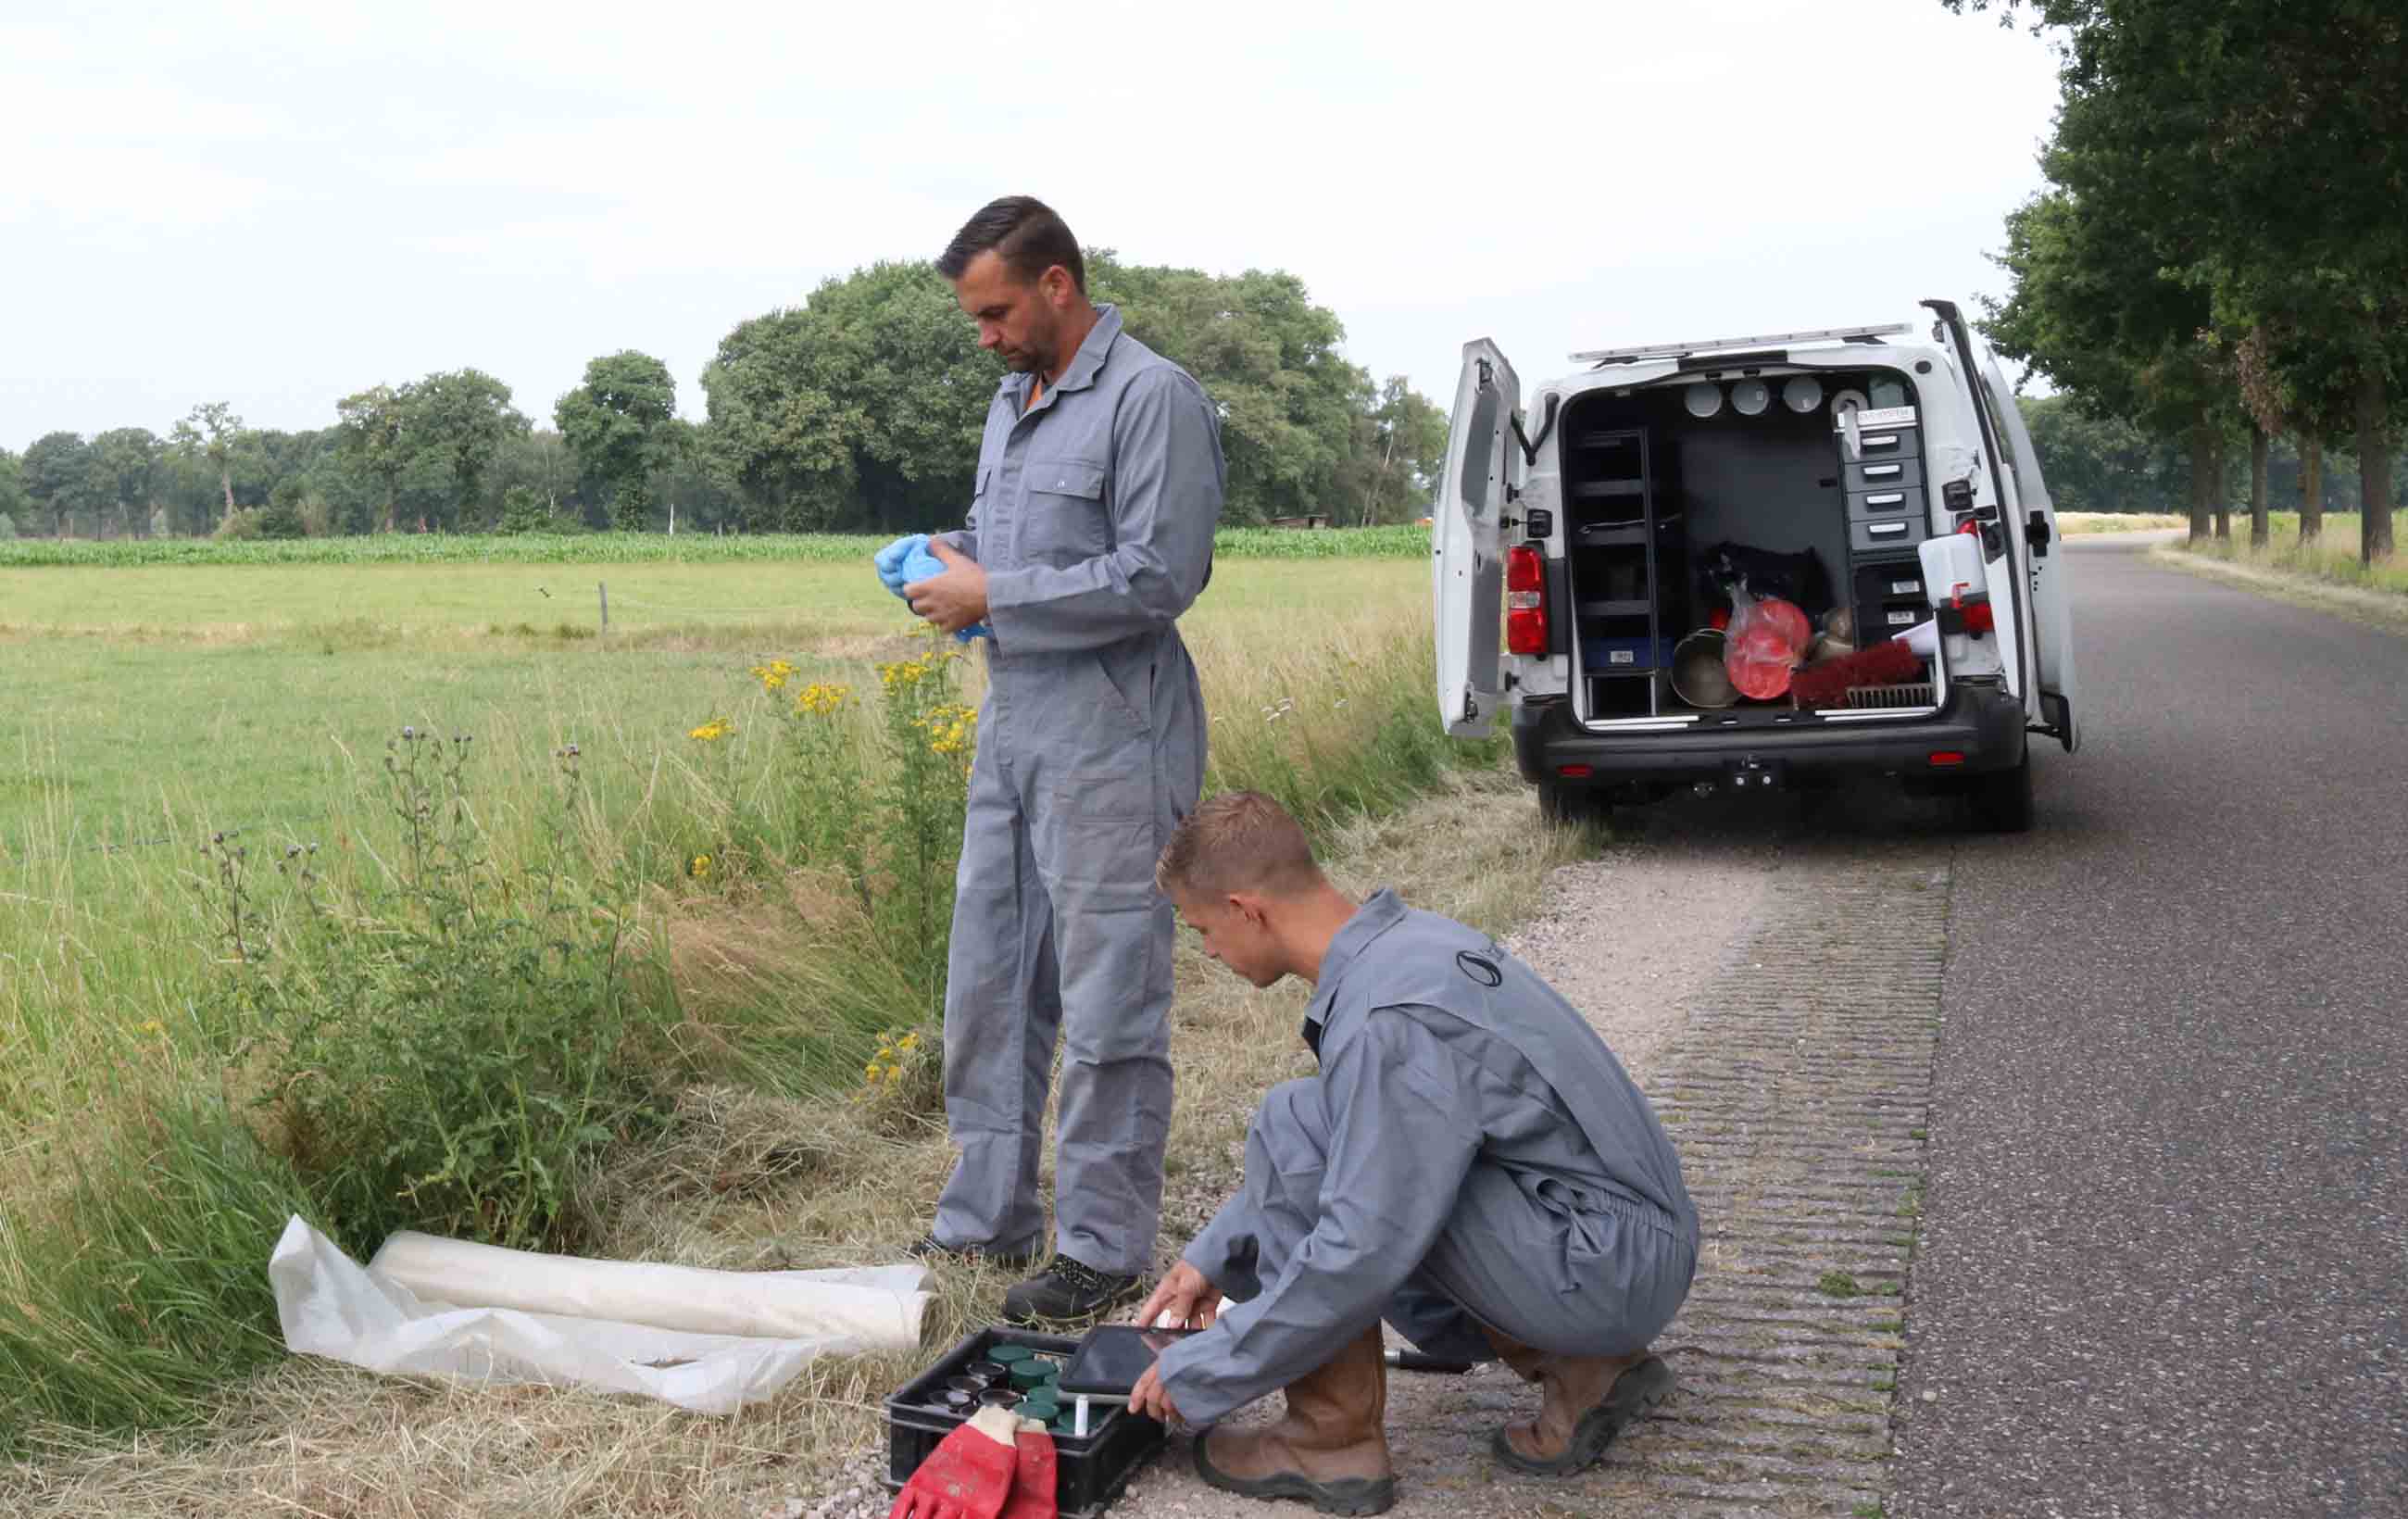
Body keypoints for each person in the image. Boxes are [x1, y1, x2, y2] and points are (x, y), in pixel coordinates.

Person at [1122, 792, 1699, 1514]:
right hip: (1624, 1241)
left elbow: (1360, 1245)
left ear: (1247, 908)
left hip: (1604, 1267)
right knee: (1303, 1118)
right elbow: (1357, 1132)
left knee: (1307, 1140)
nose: (1206, 950)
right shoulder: (1406, 945)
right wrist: (1218, 1253)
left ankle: (1329, 1444)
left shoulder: (1383, 1022)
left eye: (1202, 928)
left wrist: (1214, 1366)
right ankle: (1590, 1369)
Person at [899, 195, 1225, 1323]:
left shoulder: (1152, 397)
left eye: (994, 311)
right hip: (1015, 721)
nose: (982, 334)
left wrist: (997, 591)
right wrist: (956, 558)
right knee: (987, 978)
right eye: (971, 318)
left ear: (1054, 283)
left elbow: (1160, 572)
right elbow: (1025, 549)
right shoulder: (1011, 400)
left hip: (1114, 732)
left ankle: (1101, 1243)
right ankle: (984, 1215)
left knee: (1106, 995)